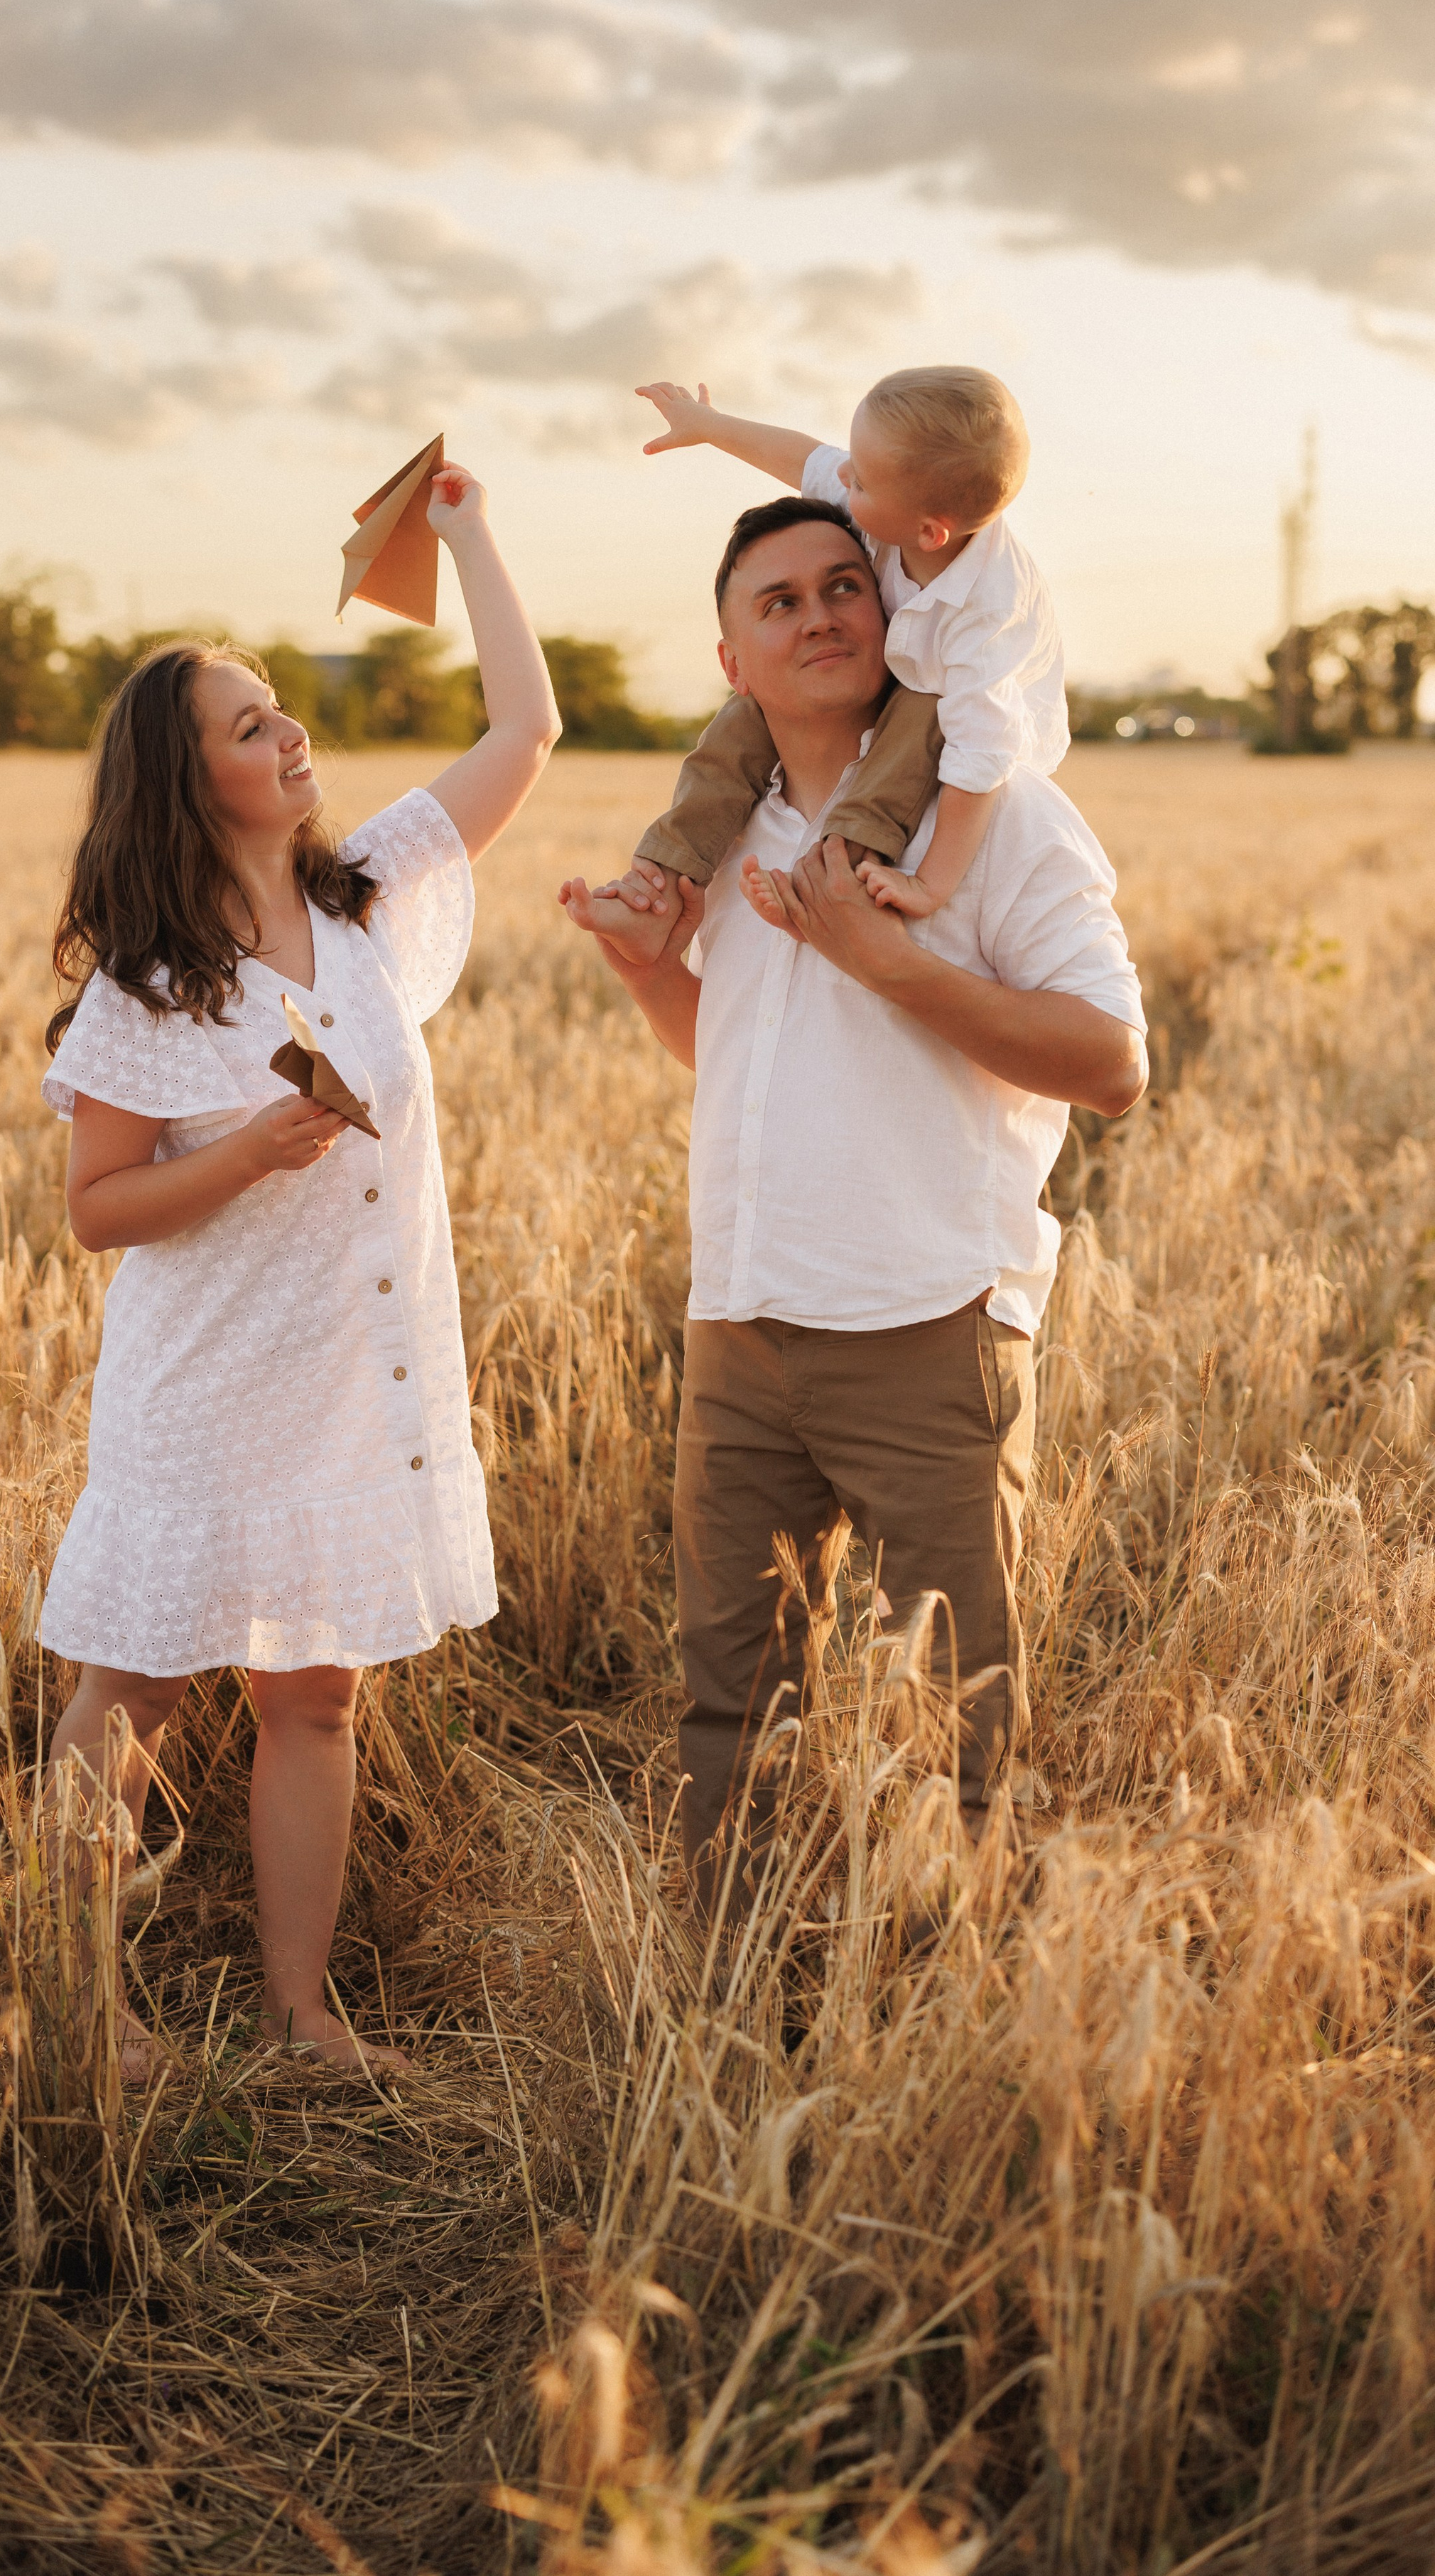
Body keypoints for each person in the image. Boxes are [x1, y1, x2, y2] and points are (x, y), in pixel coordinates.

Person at [38, 463, 559, 2076]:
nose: (289, 737)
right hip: (201, 1393)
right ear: (186, 780)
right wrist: (248, 1152)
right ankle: (82, 2010)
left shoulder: (370, 901)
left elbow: (522, 733)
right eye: (248, 724)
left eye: (280, 711)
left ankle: (299, 2015)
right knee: (130, 1699)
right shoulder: (143, 988)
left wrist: (467, 534)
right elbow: (97, 1211)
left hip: (350, 1380)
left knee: (314, 1703)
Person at [562, 494, 1145, 1905]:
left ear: (889, 618)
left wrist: (892, 965)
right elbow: (744, 1057)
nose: (819, 613)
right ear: (727, 656)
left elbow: (1109, 1063)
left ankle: (942, 2044)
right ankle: (727, 2038)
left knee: (956, 1722)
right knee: (728, 1717)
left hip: (925, 1320)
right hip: (741, 1323)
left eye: (844, 585)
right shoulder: (727, 833)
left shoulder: (992, 818)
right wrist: (649, 970)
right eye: (779, 599)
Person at [576, 365, 1066, 958]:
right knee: (740, 722)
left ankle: (829, 884)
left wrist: (929, 885)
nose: (841, 478)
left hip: (961, 716)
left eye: (857, 480)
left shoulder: (984, 620)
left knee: (917, 725)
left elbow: (981, 755)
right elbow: (804, 459)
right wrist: (709, 425)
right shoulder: (892, 497)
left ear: (929, 532)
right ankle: (659, 887)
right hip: (885, 668)